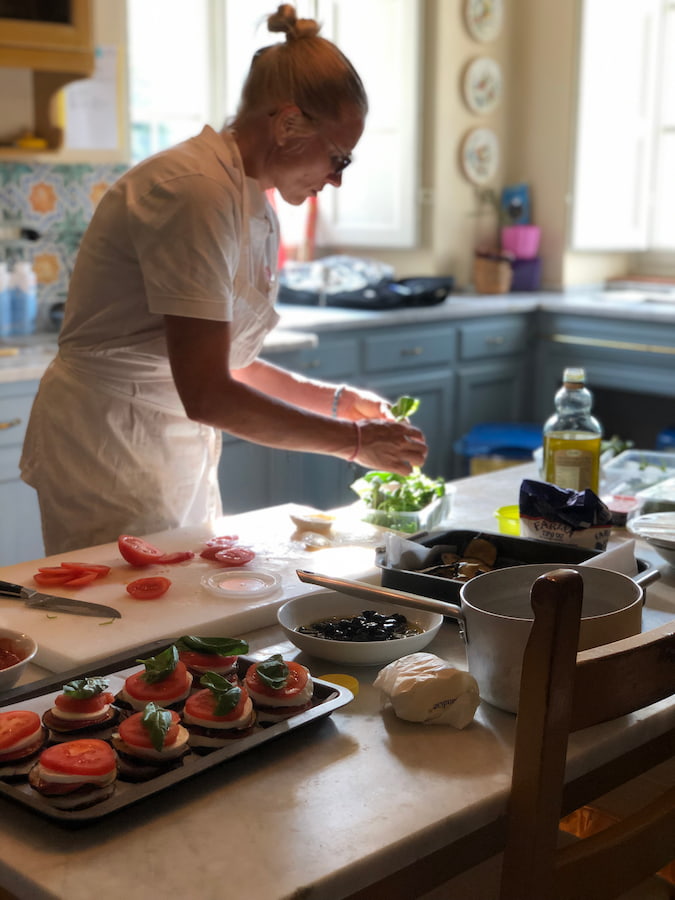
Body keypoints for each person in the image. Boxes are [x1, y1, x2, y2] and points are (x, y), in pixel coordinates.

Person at [20, 3, 428, 555]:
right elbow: (209, 390)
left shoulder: (248, 197)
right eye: (337, 157)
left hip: (167, 439)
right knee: (125, 622)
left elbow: (223, 359)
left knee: (178, 609)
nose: (335, 179)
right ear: (286, 124)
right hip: (112, 442)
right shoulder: (194, 191)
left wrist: (331, 399)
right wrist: (354, 443)